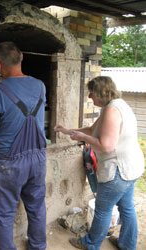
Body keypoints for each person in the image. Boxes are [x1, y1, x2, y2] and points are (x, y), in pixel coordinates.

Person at [54, 76, 145, 250]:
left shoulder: (112, 110)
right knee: (127, 207)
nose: (89, 97)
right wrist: (67, 130)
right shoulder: (116, 106)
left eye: (91, 93)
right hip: (132, 168)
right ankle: (127, 245)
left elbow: (106, 146)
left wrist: (83, 138)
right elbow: (91, 130)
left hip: (119, 171)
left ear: (101, 93)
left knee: (103, 210)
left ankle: (90, 244)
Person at [0, 41, 47, 250]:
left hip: (10, 163)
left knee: (5, 213)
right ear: (22, 58)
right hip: (38, 158)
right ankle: (38, 246)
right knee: (37, 208)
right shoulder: (40, 86)